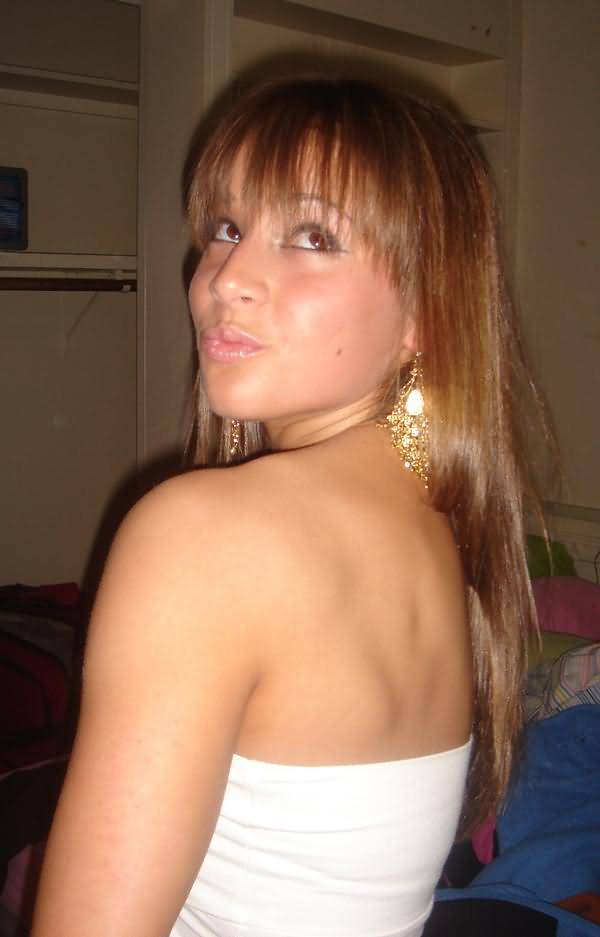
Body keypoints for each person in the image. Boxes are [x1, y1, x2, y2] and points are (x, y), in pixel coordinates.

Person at [31, 72, 541, 937]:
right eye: (227, 229)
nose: (227, 277)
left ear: (424, 310)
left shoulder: (204, 537)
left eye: (311, 236)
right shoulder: (435, 522)